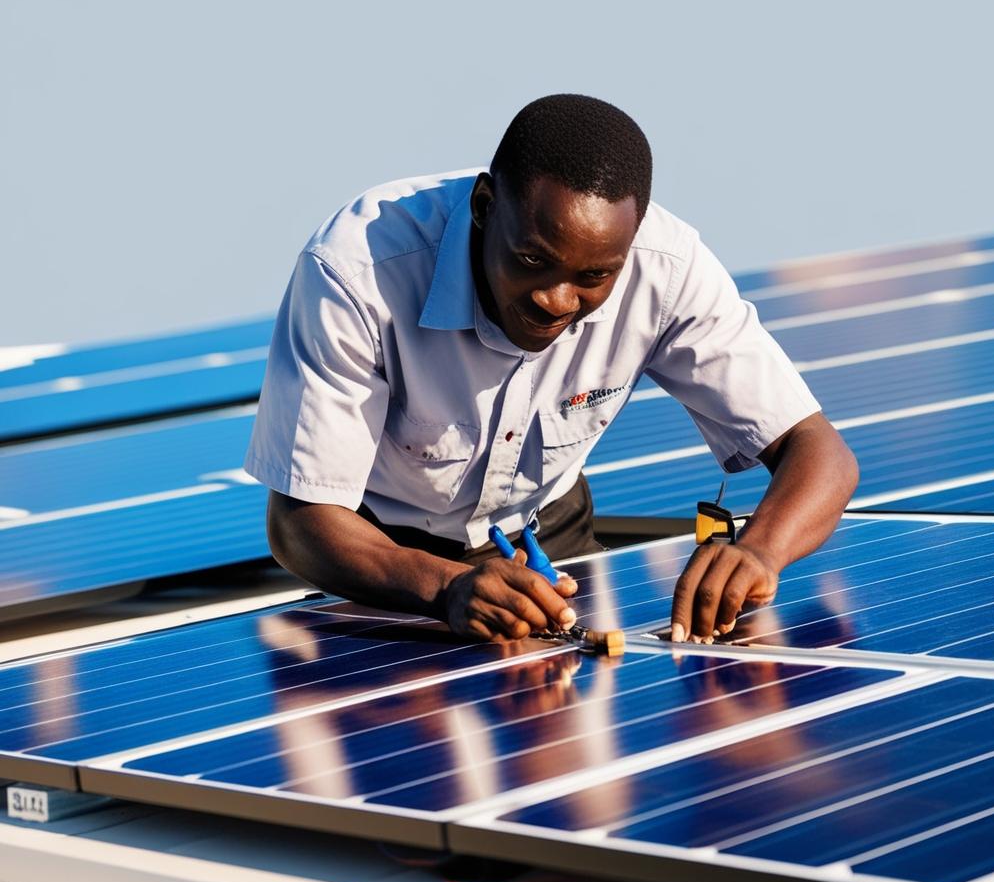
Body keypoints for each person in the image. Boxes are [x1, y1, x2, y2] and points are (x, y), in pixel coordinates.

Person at [245, 94, 858, 644]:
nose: (556, 301)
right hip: (385, 552)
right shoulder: (357, 273)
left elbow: (819, 451)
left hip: (549, 534)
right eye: (532, 259)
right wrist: (442, 587)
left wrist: (758, 552)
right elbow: (301, 522)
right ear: (486, 206)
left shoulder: (668, 270)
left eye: (594, 278)